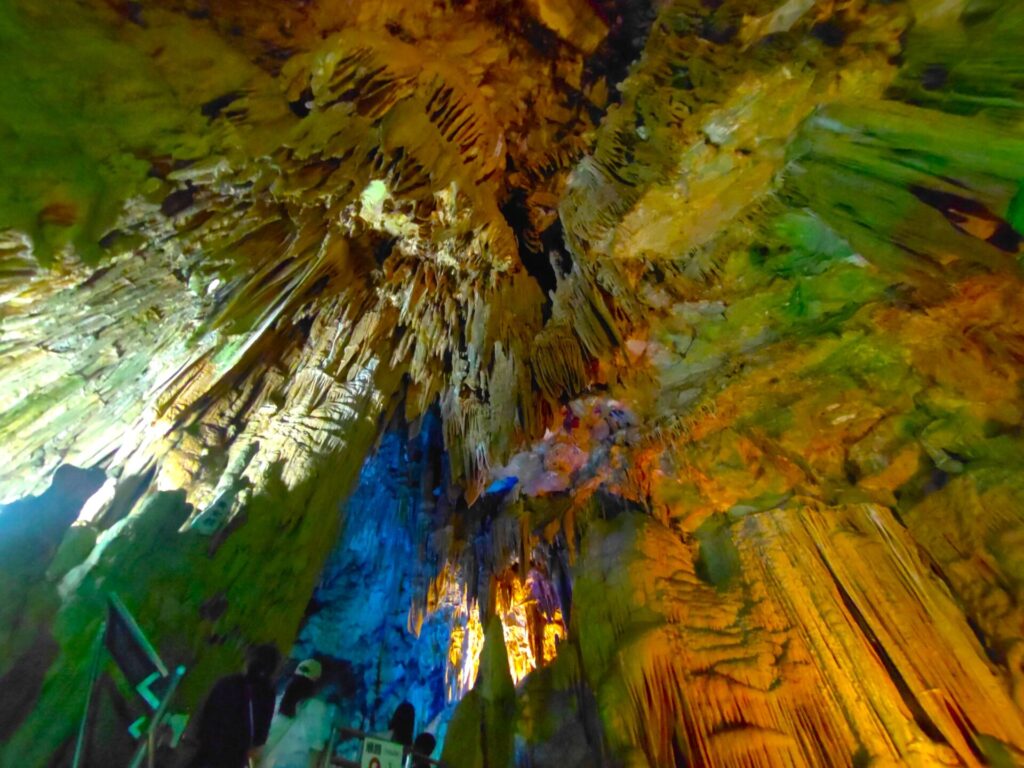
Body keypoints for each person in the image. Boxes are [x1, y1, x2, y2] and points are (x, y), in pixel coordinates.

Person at [190, 643, 280, 768]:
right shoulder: (267, 695)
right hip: (233, 759)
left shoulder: (228, 682)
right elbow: (260, 736)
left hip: (207, 752)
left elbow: (206, 714)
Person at [258, 659, 335, 768]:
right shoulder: (317, 708)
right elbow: (316, 747)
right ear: (317, 682)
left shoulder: (278, 700)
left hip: (268, 762)